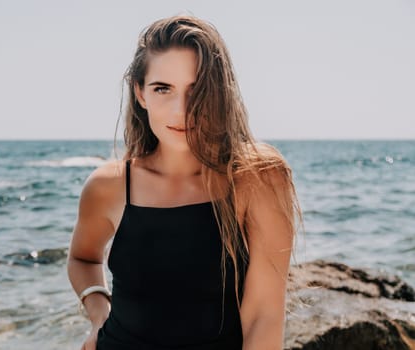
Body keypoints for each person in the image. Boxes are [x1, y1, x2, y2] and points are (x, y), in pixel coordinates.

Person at [67, 15, 302, 350]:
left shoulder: (258, 178)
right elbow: (83, 258)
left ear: (221, 93)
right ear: (140, 93)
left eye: (198, 90)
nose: (182, 109)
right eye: (163, 88)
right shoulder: (109, 185)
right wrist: (99, 314)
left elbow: (263, 316)